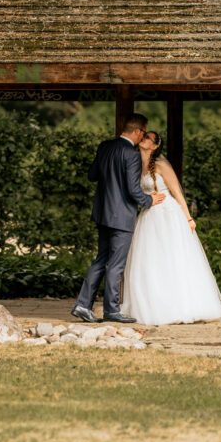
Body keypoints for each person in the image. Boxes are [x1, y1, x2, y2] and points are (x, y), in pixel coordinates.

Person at [121, 131, 221, 326]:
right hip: (148, 216)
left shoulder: (161, 165)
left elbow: (177, 193)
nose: (144, 138)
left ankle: (178, 306)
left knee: (171, 259)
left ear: (155, 146)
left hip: (167, 215)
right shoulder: (136, 165)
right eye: (144, 136)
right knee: (149, 260)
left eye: (148, 138)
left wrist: (188, 218)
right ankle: (151, 305)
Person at [72, 113, 165, 324]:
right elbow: (133, 190)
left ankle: (82, 305)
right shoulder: (130, 154)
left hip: (102, 212)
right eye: (142, 134)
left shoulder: (105, 146)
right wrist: (149, 200)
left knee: (101, 260)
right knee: (115, 265)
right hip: (121, 216)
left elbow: (92, 175)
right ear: (138, 131)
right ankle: (111, 311)